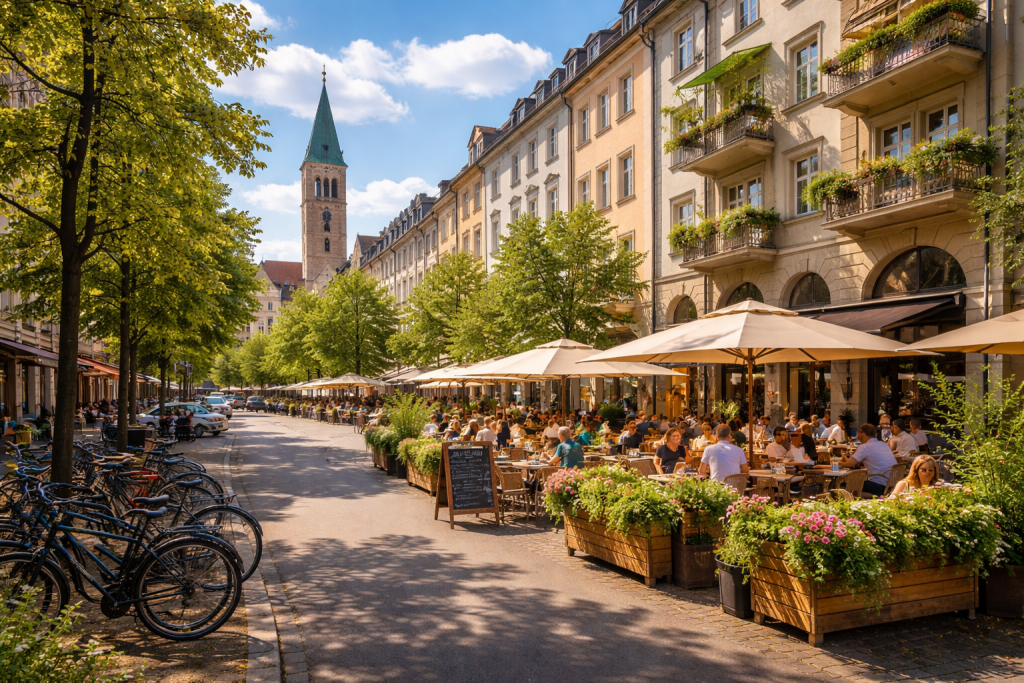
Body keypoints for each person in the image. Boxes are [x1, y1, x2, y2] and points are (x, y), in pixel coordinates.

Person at [839, 423, 897, 497]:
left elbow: (850, 463)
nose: (857, 436)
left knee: (841, 484)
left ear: (862, 433)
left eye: (858, 433)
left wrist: (836, 464)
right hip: (891, 484)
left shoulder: (864, 447)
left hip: (877, 485)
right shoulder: (884, 444)